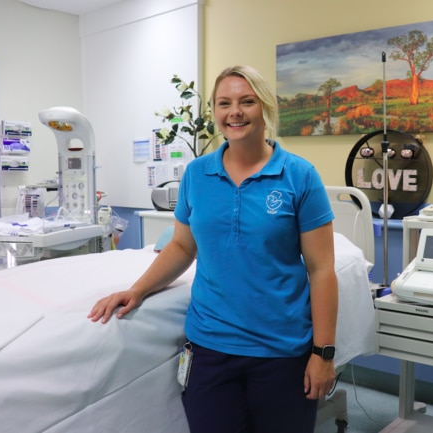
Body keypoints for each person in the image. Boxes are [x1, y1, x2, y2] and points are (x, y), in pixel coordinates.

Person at [88, 65, 338, 433]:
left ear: (264, 107)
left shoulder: (299, 176)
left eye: (246, 101)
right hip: (209, 349)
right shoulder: (196, 174)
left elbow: (321, 270)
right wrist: (136, 290)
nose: (234, 112)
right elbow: (181, 247)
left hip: (282, 351)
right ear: (215, 111)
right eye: (224, 103)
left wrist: (323, 354)